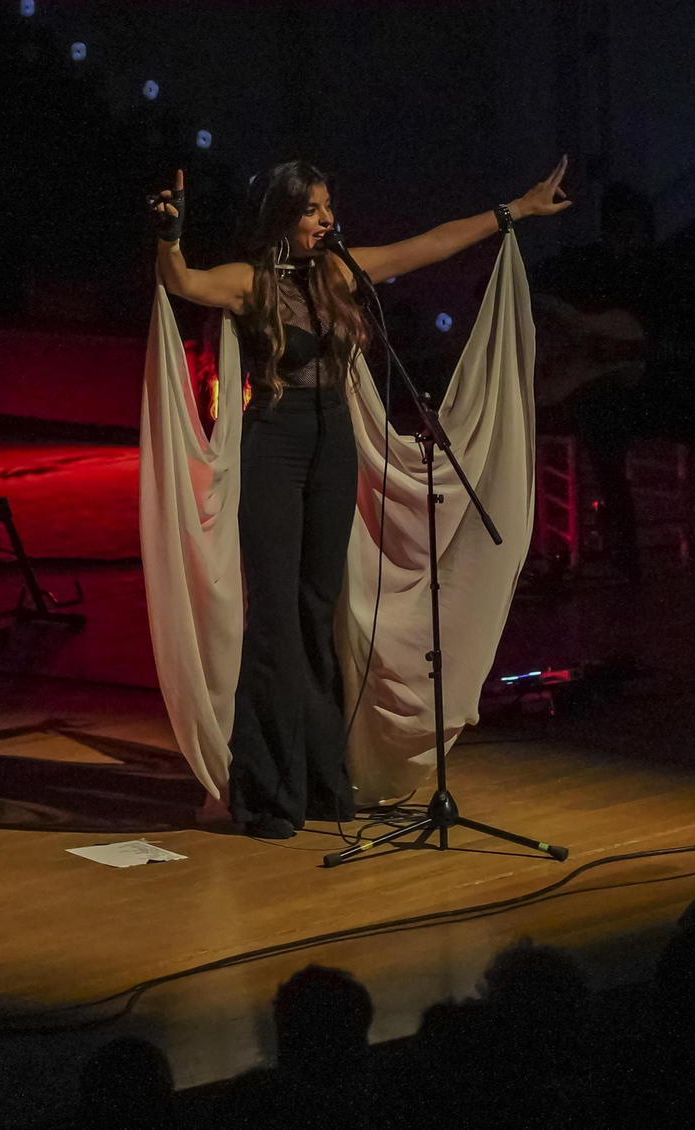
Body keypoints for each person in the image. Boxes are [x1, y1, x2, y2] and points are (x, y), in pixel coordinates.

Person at [151, 158, 570, 838]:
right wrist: (169, 235)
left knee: (318, 610)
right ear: (284, 216)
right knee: (276, 617)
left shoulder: (336, 276)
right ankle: (267, 790)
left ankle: (320, 779)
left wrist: (512, 211)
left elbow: (427, 244)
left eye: (327, 207)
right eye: (313, 209)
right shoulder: (249, 283)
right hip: (274, 448)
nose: (327, 219)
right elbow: (181, 281)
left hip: (333, 445)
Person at [532, 184, 695, 581]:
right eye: (622, 227)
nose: (631, 237)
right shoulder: (582, 267)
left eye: (638, 228)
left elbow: (686, 336)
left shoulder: (666, 273)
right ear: (608, 228)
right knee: (600, 416)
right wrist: (566, 330)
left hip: (654, 393)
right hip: (599, 397)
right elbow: (526, 288)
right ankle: (623, 552)